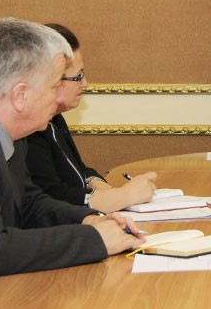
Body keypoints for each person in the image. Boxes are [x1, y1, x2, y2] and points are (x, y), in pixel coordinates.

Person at [0, 18, 144, 305]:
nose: (59, 97)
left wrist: (87, 220)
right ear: (20, 95)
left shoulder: (10, 128)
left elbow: (28, 203)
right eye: (53, 86)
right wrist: (93, 240)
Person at [25, 24, 157, 213]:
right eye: (78, 76)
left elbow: (78, 171)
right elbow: (51, 198)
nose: (85, 83)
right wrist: (124, 196)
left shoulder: (55, 118)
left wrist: (97, 184)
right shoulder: (28, 130)